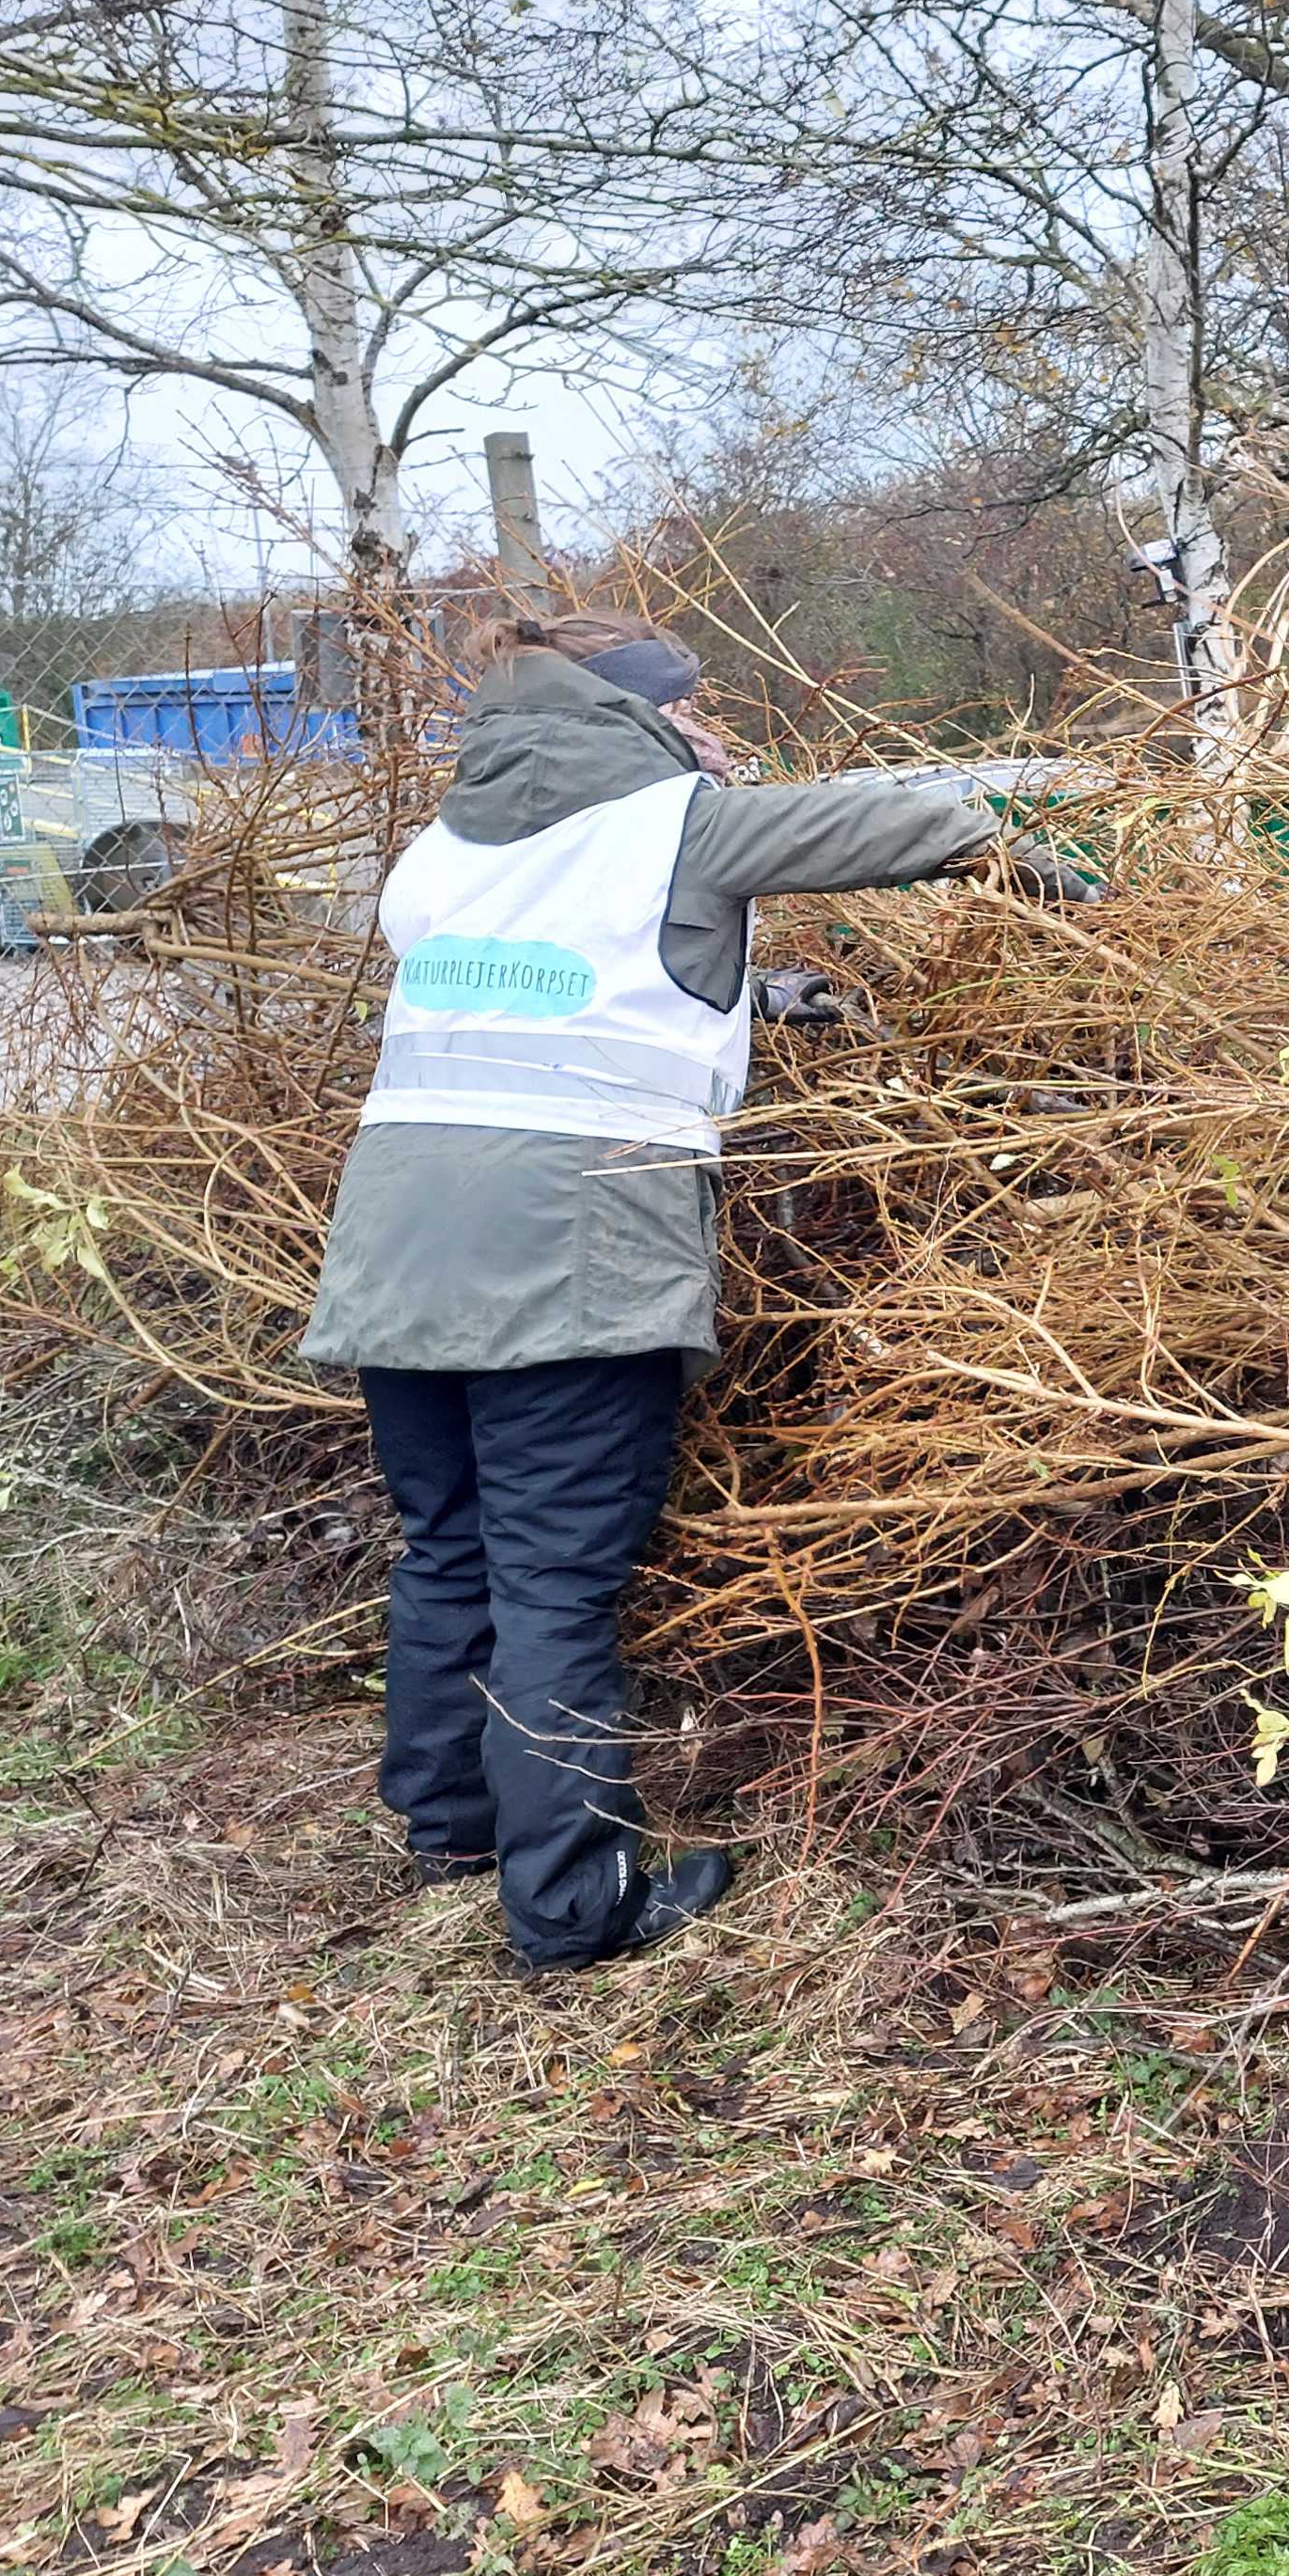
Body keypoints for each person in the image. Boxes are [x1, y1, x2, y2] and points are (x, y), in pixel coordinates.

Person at [300, 608, 1073, 1972]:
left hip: (395, 1248)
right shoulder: (680, 825)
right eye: (691, 708)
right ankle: (573, 1908)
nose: (710, 731)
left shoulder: (443, 846)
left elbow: (541, 982)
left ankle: (451, 1827)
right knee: (553, 1582)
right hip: (567, 1245)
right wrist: (1038, 842)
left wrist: (751, 992)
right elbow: (898, 824)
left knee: (450, 1548)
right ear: (634, 716)